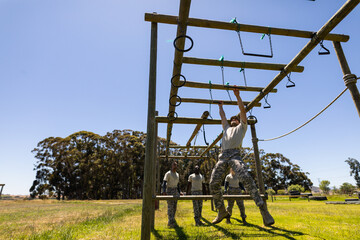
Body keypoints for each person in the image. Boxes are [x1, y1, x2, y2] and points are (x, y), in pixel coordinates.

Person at [209, 88, 275, 226]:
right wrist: (220, 106)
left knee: (245, 176)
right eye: (232, 118)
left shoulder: (242, 127)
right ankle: (221, 210)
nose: (233, 120)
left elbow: (243, 111)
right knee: (213, 182)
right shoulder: (226, 128)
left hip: (234, 154)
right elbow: (222, 116)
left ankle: (263, 209)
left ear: (239, 121)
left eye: (236, 119)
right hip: (223, 156)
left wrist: (237, 96)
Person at [162, 161, 183, 228]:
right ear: (171, 166)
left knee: (174, 207)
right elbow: (164, 182)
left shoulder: (177, 174)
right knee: (170, 206)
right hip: (169, 190)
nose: (175, 166)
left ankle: (172, 220)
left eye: (176, 165)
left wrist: (180, 192)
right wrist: (164, 191)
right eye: (174, 165)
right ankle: (170, 222)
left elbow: (178, 184)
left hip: (175, 190)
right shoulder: (168, 173)